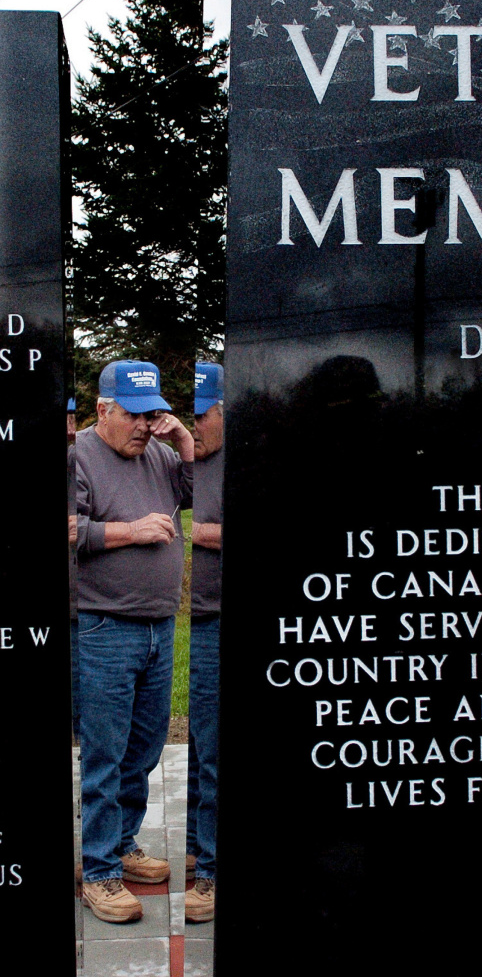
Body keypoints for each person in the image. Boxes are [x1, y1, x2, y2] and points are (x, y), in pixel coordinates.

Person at [76, 360, 193, 923]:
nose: (145, 425)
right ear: (103, 409)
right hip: (104, 626)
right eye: (133, 415)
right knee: (104, 753)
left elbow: (199, 496)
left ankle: (120, 844)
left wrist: (186, 441)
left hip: (159, 625)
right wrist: (132, 531)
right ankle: (97, 871)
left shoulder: (161, 453)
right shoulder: (77, 454)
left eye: (152, 414)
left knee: (143, 751)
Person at [185, 362, 223, 923]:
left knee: (216, 750)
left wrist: (196, 532)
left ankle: (213, 872)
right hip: (196, 621)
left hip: (222, 618)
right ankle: (196, 845)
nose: (193, 425)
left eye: (200, 415)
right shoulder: (189, 461)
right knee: (196, 742)